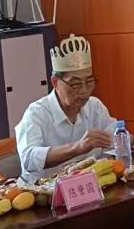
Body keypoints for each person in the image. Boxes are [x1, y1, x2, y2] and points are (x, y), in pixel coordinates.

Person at [14, 34, 116, 180]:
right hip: (42, 190)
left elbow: (113, 137)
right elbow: (29, 159)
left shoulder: (95, 106)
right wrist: (77, 147)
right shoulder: (36, 113)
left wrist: (123, 140)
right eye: (75, 84)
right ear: (55, 82)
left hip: (87, 186)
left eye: (89, 82)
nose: (84, 91)